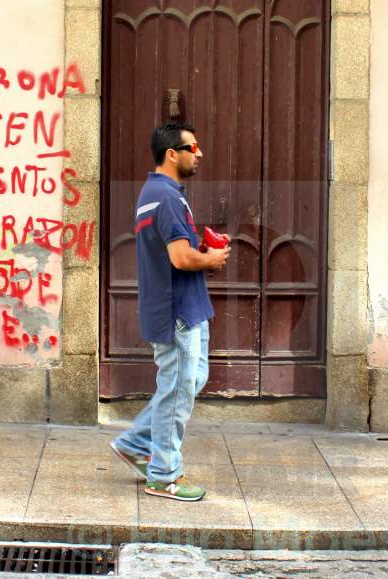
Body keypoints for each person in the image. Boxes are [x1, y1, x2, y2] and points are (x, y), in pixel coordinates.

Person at [110, 121, 230, 501]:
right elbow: (180, 258)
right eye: (192, 147)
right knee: (177, 393)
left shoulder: (158, 193)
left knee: (187, 382)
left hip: (185, 307)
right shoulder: (165, 197)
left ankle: (134, 443)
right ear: (172, 154)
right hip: (177, 310)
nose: (199, 154)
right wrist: (210, 258)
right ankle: (163, 474)